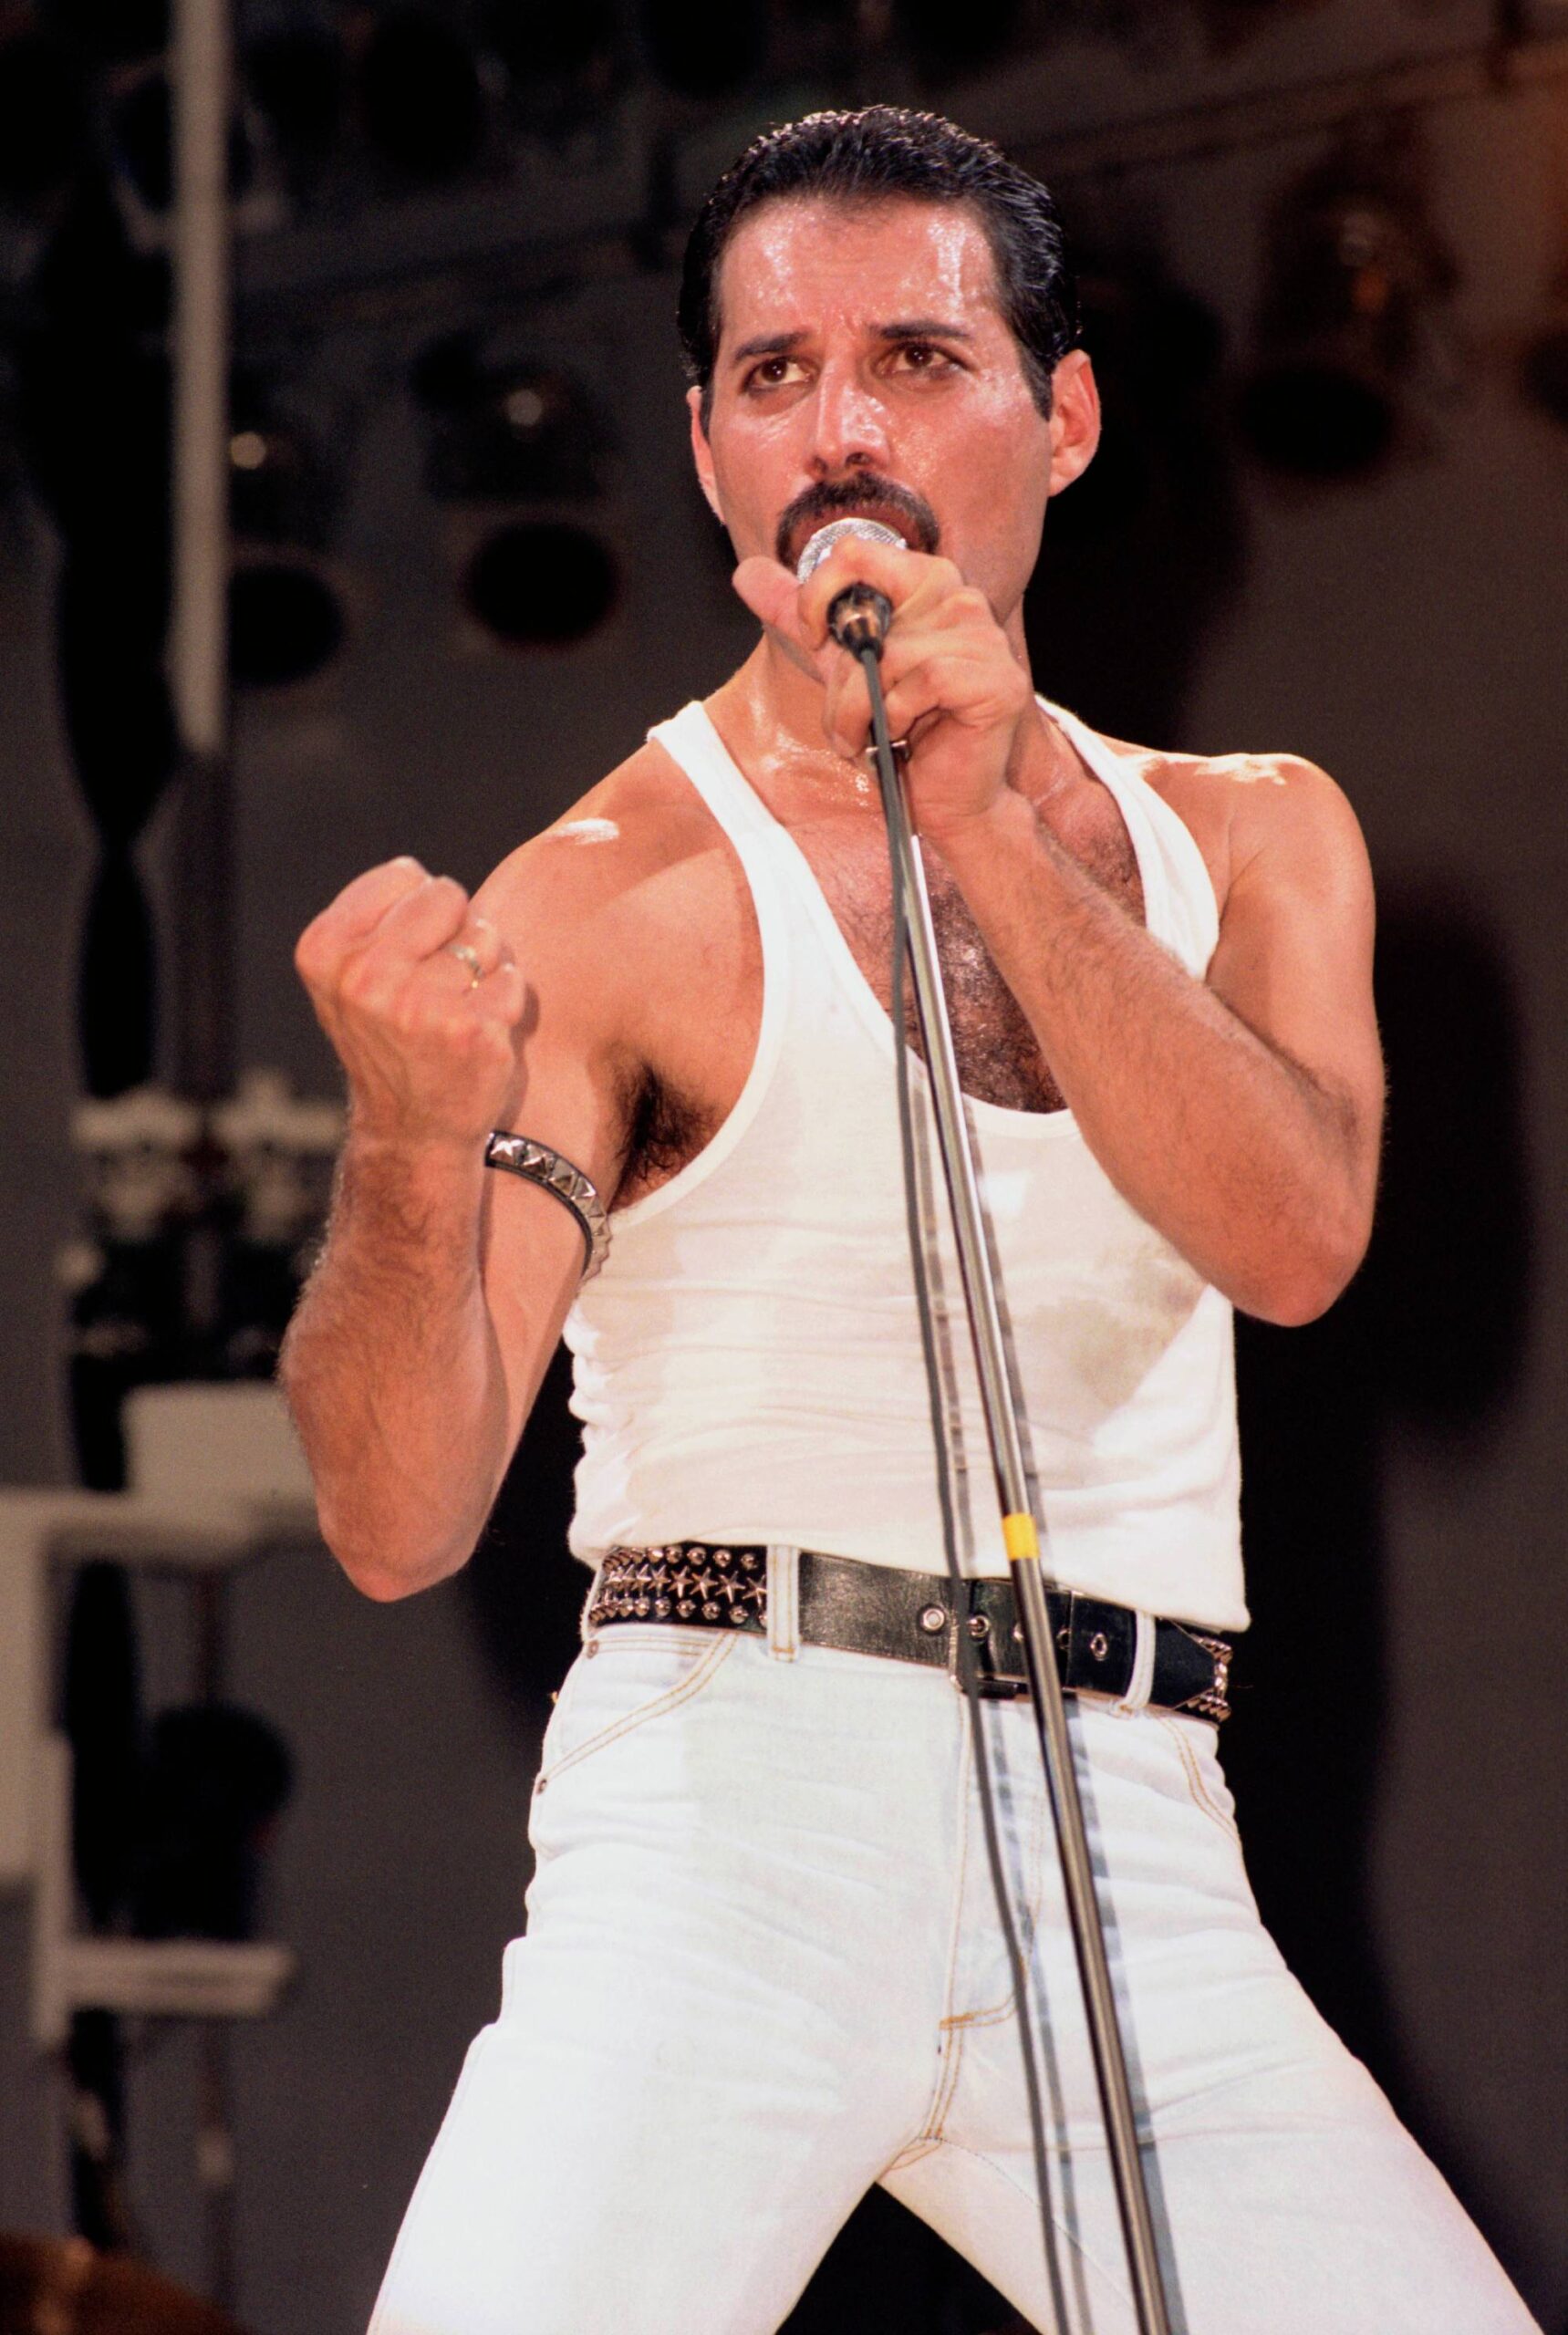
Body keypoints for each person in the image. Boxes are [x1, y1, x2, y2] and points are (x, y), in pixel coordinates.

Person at [281, 108, 1537, 2335]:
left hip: (1131, 1837)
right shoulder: (604, 902)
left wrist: (979, 820)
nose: (839, 426)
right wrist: (398, 1149)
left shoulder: (1251, 839)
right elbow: (393, 1516)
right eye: (772, 375)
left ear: (1057, 414)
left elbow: (1293, 1238)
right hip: (733, 1823)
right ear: (698, 444)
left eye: (915, 358)